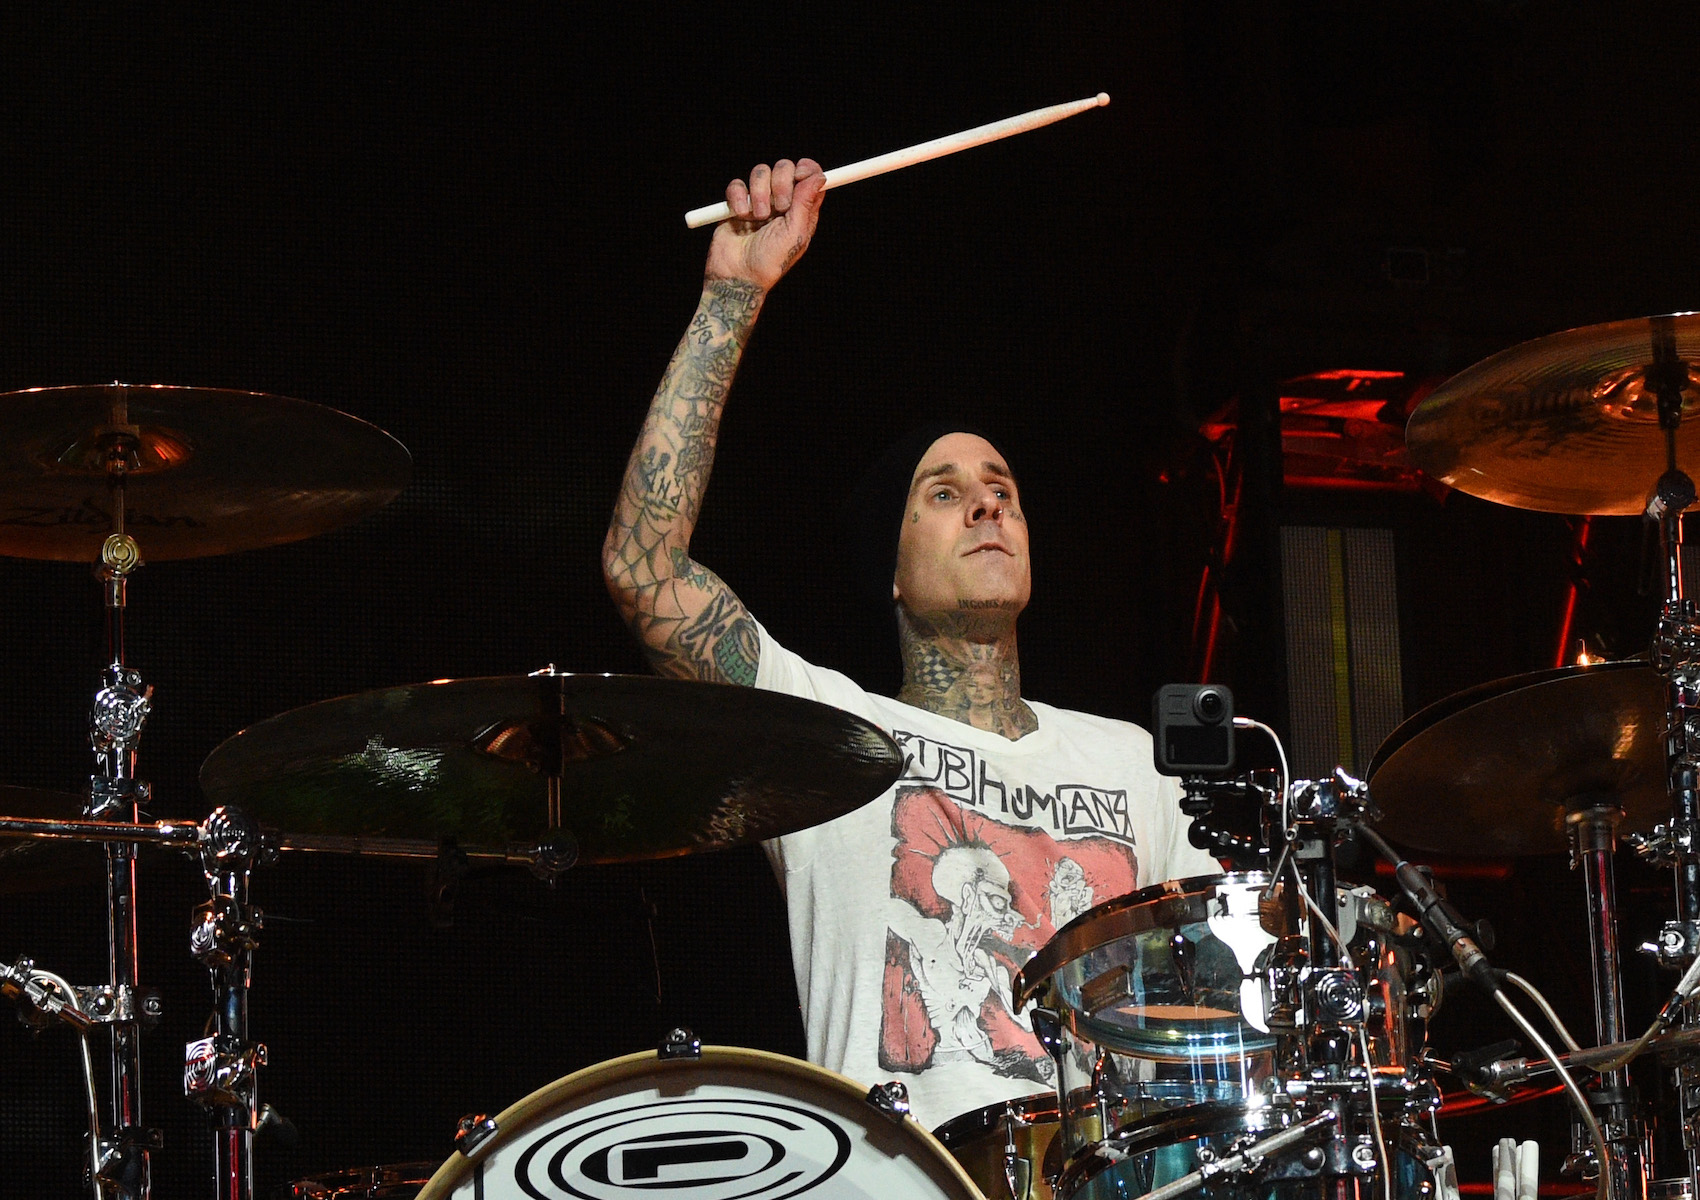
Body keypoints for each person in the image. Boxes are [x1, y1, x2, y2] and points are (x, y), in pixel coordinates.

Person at [602, 157, 1218, 1130]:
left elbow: (1216, 1008)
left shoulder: (1136, 763)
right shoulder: (828, 733)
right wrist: (731, 294)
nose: (986, 504)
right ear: (888, 567)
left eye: (1003, 490)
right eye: (944, 492)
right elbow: (645, 571)